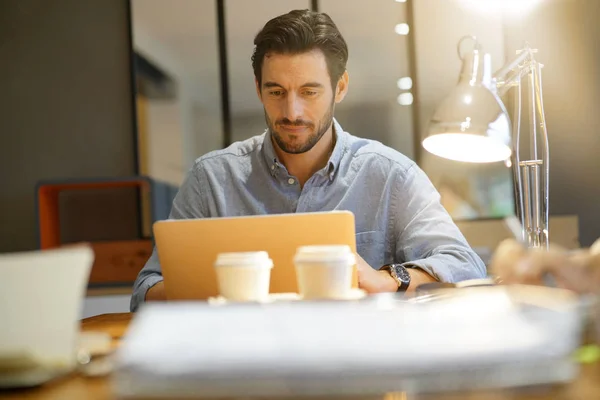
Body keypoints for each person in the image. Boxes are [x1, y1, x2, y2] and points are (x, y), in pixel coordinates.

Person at [130, 9, 485, 311]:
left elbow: (465, 265)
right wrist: (218, 286)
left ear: (340, 87)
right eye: (276, 92)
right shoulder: (211, 178)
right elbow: (146, 291)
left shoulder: (391, 175)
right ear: (258, 89)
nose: (292, 111)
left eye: (309, 92)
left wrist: (388, 279)